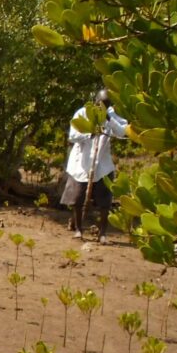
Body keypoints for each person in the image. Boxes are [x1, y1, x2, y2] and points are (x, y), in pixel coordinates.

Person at [61, 90, 128, 243]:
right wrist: (89, 133)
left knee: (105, 201)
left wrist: (109, 118)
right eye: (100, 104)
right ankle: (78, 229)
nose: (102, 108)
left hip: (103, 165)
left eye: (106, 105)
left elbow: (122, 131)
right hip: (81, 163)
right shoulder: (82, 113)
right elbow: (72, 136)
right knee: (77, 198)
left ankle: (102, 233)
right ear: (95, 101)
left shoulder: (111, 115)